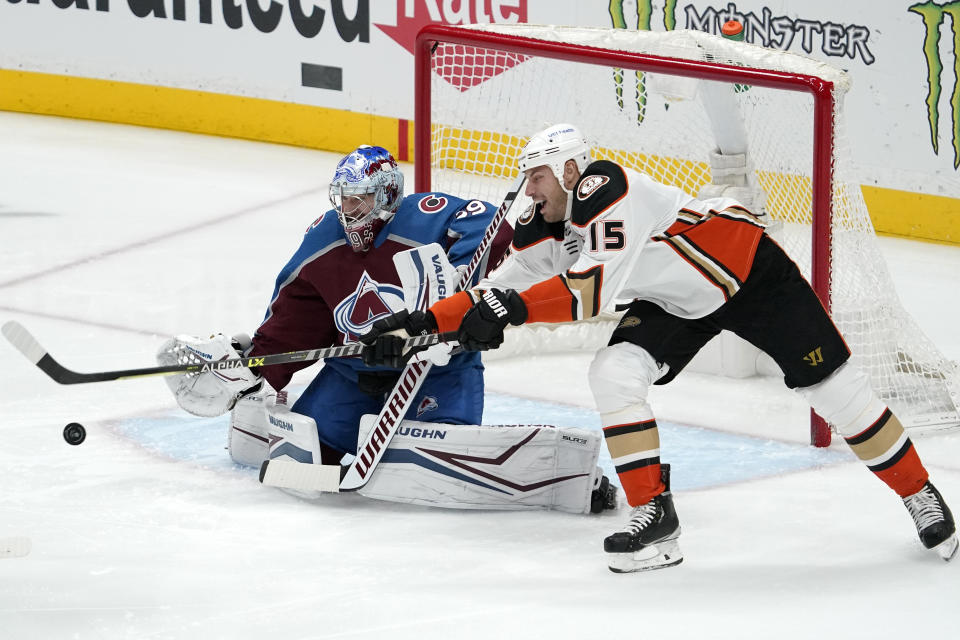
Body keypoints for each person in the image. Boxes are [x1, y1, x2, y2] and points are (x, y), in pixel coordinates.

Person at [362, 124, 958, 571]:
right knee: (614, 373)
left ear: (569, 170)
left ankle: (920, 494)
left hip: (750, 274)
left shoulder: (606, 186)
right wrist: (415, 325)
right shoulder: (546, 225)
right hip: (676, 301)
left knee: (838, 395)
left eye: (537, 175)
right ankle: (655, 519)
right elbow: (497, 290)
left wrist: (509, 310)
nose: (528, 188)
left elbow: (589, 290)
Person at [157, 144, 617, 515]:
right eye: (345, 198)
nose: (351, 209)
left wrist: (455, 287)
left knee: (440, 455)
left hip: (439, 371)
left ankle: (567, 481)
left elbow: (494, 230)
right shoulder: (324, 240)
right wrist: (257, 365)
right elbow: (299, 316)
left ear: (389, 196)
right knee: (312, 458)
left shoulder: (431, 215)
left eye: (363, 198)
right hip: (352, 376)